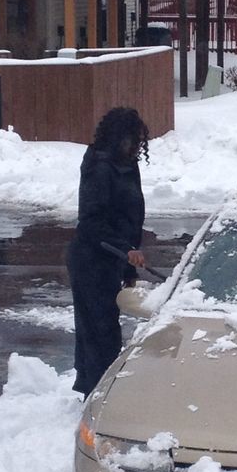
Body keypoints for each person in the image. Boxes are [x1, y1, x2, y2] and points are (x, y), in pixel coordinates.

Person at [67, 107, 149, 398]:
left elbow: (132, 218)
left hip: (112, 260)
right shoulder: (99, 167)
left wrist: (128, 268)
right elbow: (91, 223)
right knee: (97, 331)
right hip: (90, 260)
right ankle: (96, 396)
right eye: (133, 140)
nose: (138, 146)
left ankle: (102, 391)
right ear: (118, 137)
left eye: (140, 141)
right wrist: (125, 251)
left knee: (107, 329)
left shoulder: (128, 165)